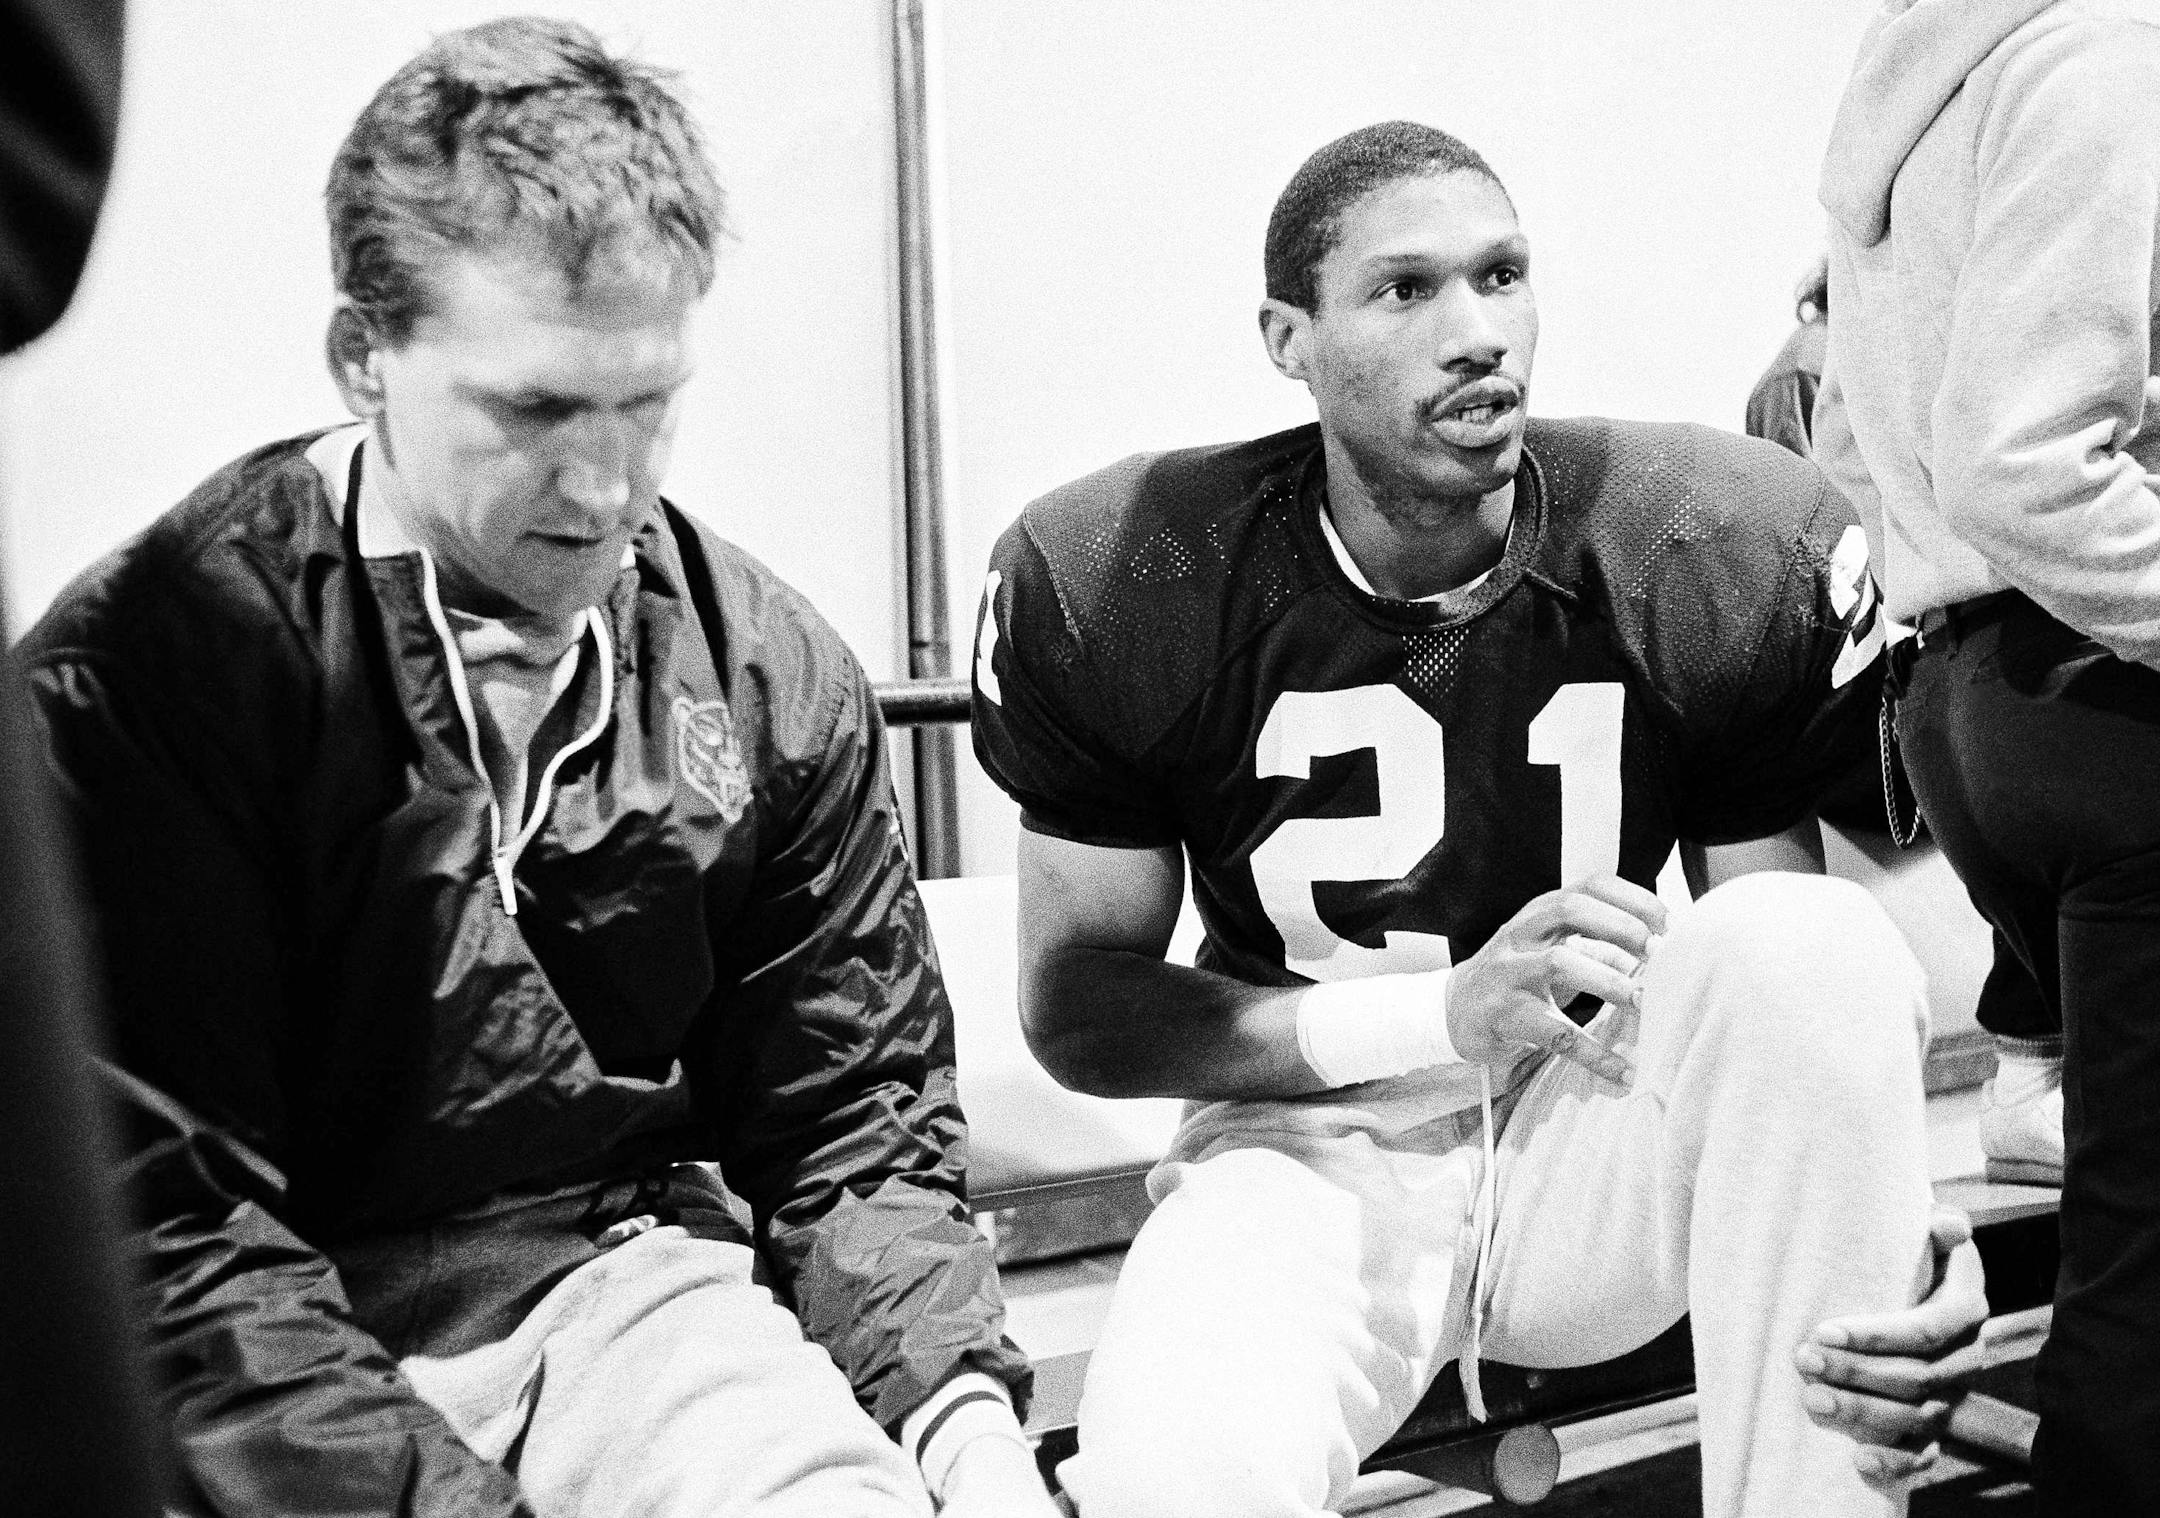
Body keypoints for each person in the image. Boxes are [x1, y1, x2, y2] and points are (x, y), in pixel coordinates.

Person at [18, 19, 1056, 1518]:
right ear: (362, 355)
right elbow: (169, 1233)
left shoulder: (766, 674)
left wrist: (967, 1430)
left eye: (649, 405)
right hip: (257, 1331)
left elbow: (848, 1118)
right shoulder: (156, 678)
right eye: (537, 410)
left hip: (609, 1280)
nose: (606, 485)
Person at [970, 121, 1986, 1518]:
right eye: (1406, 291)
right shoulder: (1132, 567)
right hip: (1306, 1151)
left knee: (1813, 937)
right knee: (1173, 1476)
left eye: (1501, 275)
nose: (1476, 332)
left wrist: (1887, 1232)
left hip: (1594, 1122)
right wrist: (1437, 1016)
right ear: (1289, 336)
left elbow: (1785, 987)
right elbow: (1080, 1007)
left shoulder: (1698, 535)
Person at [1812, 0, 2160, 1507]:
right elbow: (2024, 464)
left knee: (2131, 1228)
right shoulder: (2104, 54)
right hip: (2104, 702)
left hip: (1970, 702)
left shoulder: (1925, 75)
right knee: (2150, 1272)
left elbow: (1844, 446)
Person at [1748, 257, 2064, 1188]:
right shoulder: (1816, 365)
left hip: (1932, 654)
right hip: (1886, 669)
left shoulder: (1878, 347)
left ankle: (2037, 1066)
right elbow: (1824, 550)